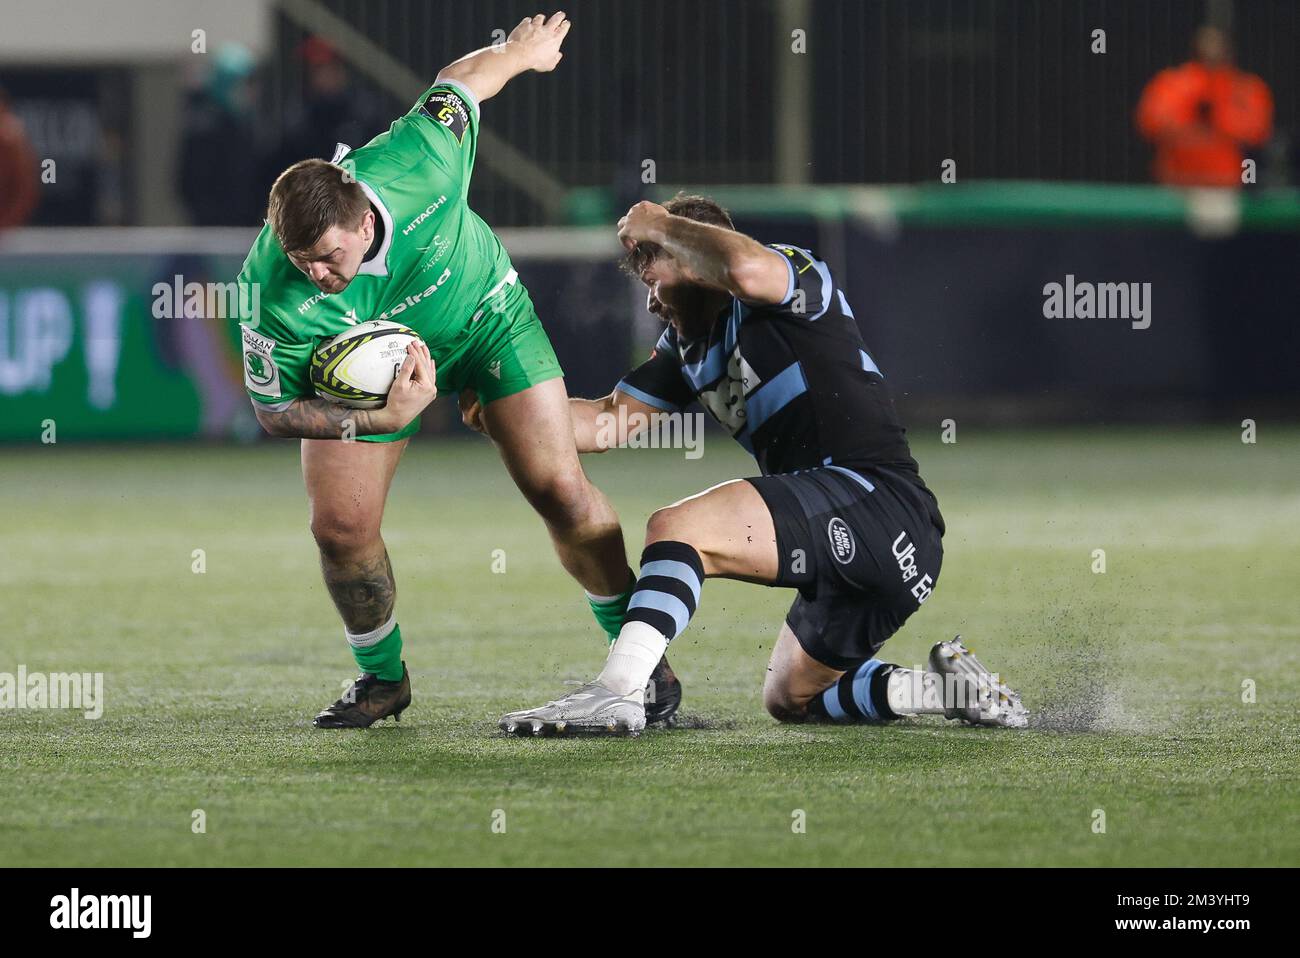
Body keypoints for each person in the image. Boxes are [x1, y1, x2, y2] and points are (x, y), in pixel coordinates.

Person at [236, 12, 680, 728]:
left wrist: (517, 52)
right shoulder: (268, 292)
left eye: (327, 255)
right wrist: (374, 418)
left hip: (485, 319)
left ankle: (642, 666)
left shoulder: (420, 163)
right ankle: (382, 680)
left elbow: (461, 82)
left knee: (561, 489)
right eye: (299, 260)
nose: (316, 273)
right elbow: (272, 411)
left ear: (359, 220)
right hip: (375, 387)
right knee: (340, 530)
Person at [484, 194, 1028, 735]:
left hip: (879, 501)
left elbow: (742, 267)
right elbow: (602, 424)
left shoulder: (793, 277)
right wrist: (501, 404)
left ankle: (618, 692)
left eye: (655, 279)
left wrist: (660, 221)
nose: (650, 301)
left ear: (696, 261)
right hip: (880, 544)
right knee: (793, 697)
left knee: (678, 529)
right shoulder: (685, 350)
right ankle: (948, 689)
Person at [1136, 26, 1273, 187]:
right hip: (1176, 182)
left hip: (1224, 183)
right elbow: (1150, 122)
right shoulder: (1172, 84)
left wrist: (1219, 118)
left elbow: (1258, 131)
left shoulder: (1245, 87)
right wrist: (1190, 118)